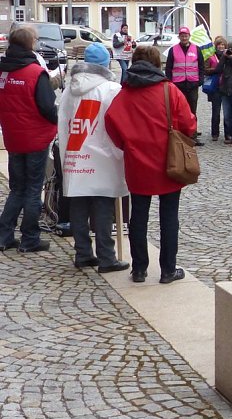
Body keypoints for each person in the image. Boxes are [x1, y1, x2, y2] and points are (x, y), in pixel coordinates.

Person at [104, 45, 196, 284]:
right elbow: (189, 124)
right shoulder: (169, 90)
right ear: (157, 64)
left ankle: (139, 269)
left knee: (138, 216)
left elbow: (111, 123)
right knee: (169, 216)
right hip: (169, 160)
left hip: (137, 161)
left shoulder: (124, 94)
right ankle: (168, 270)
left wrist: (127, 145)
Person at [57, 42, 128, 272]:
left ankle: (83, 253)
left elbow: (63, 121)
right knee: (103, 206)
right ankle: (106, 257)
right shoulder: (111, 89)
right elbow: (119, 121)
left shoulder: (70, 89)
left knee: (78, 204)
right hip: (101, 155)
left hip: (76, 154)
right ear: (106, 64)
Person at [0, 26, 59, 253]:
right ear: (30, 43)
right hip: (35, 137)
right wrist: (57, 120)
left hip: (13, 136)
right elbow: (47, 107)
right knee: (34, 188)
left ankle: (4, 236)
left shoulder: (4, 71)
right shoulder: (35, 72)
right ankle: (30, 238)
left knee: (17, 188)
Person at [165, 26, 205, 146]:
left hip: (193, 84)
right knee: (180, 111)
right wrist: (170, 82)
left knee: (192, 111)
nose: (184, 38)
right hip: (178, 84)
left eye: (186, 36)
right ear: (179, 37)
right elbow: (169, 67)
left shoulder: (196, 49)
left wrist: (200, 80)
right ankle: (181, 136)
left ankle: (193, 136)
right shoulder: (173, 50)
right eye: (182, 36)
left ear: (189, 36)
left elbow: (201, 66)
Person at [205, 36, 227, 140]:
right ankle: (215, 133)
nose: (221, 46)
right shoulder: (211, 57)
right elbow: (205, 70)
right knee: (216, 111)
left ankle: (228, 132)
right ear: (216, 46)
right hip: (215, 86)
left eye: (223, 45)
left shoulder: (228, 56)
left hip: (227, 86)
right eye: (219, 45)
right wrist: (216, 70)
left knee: (227, 112)